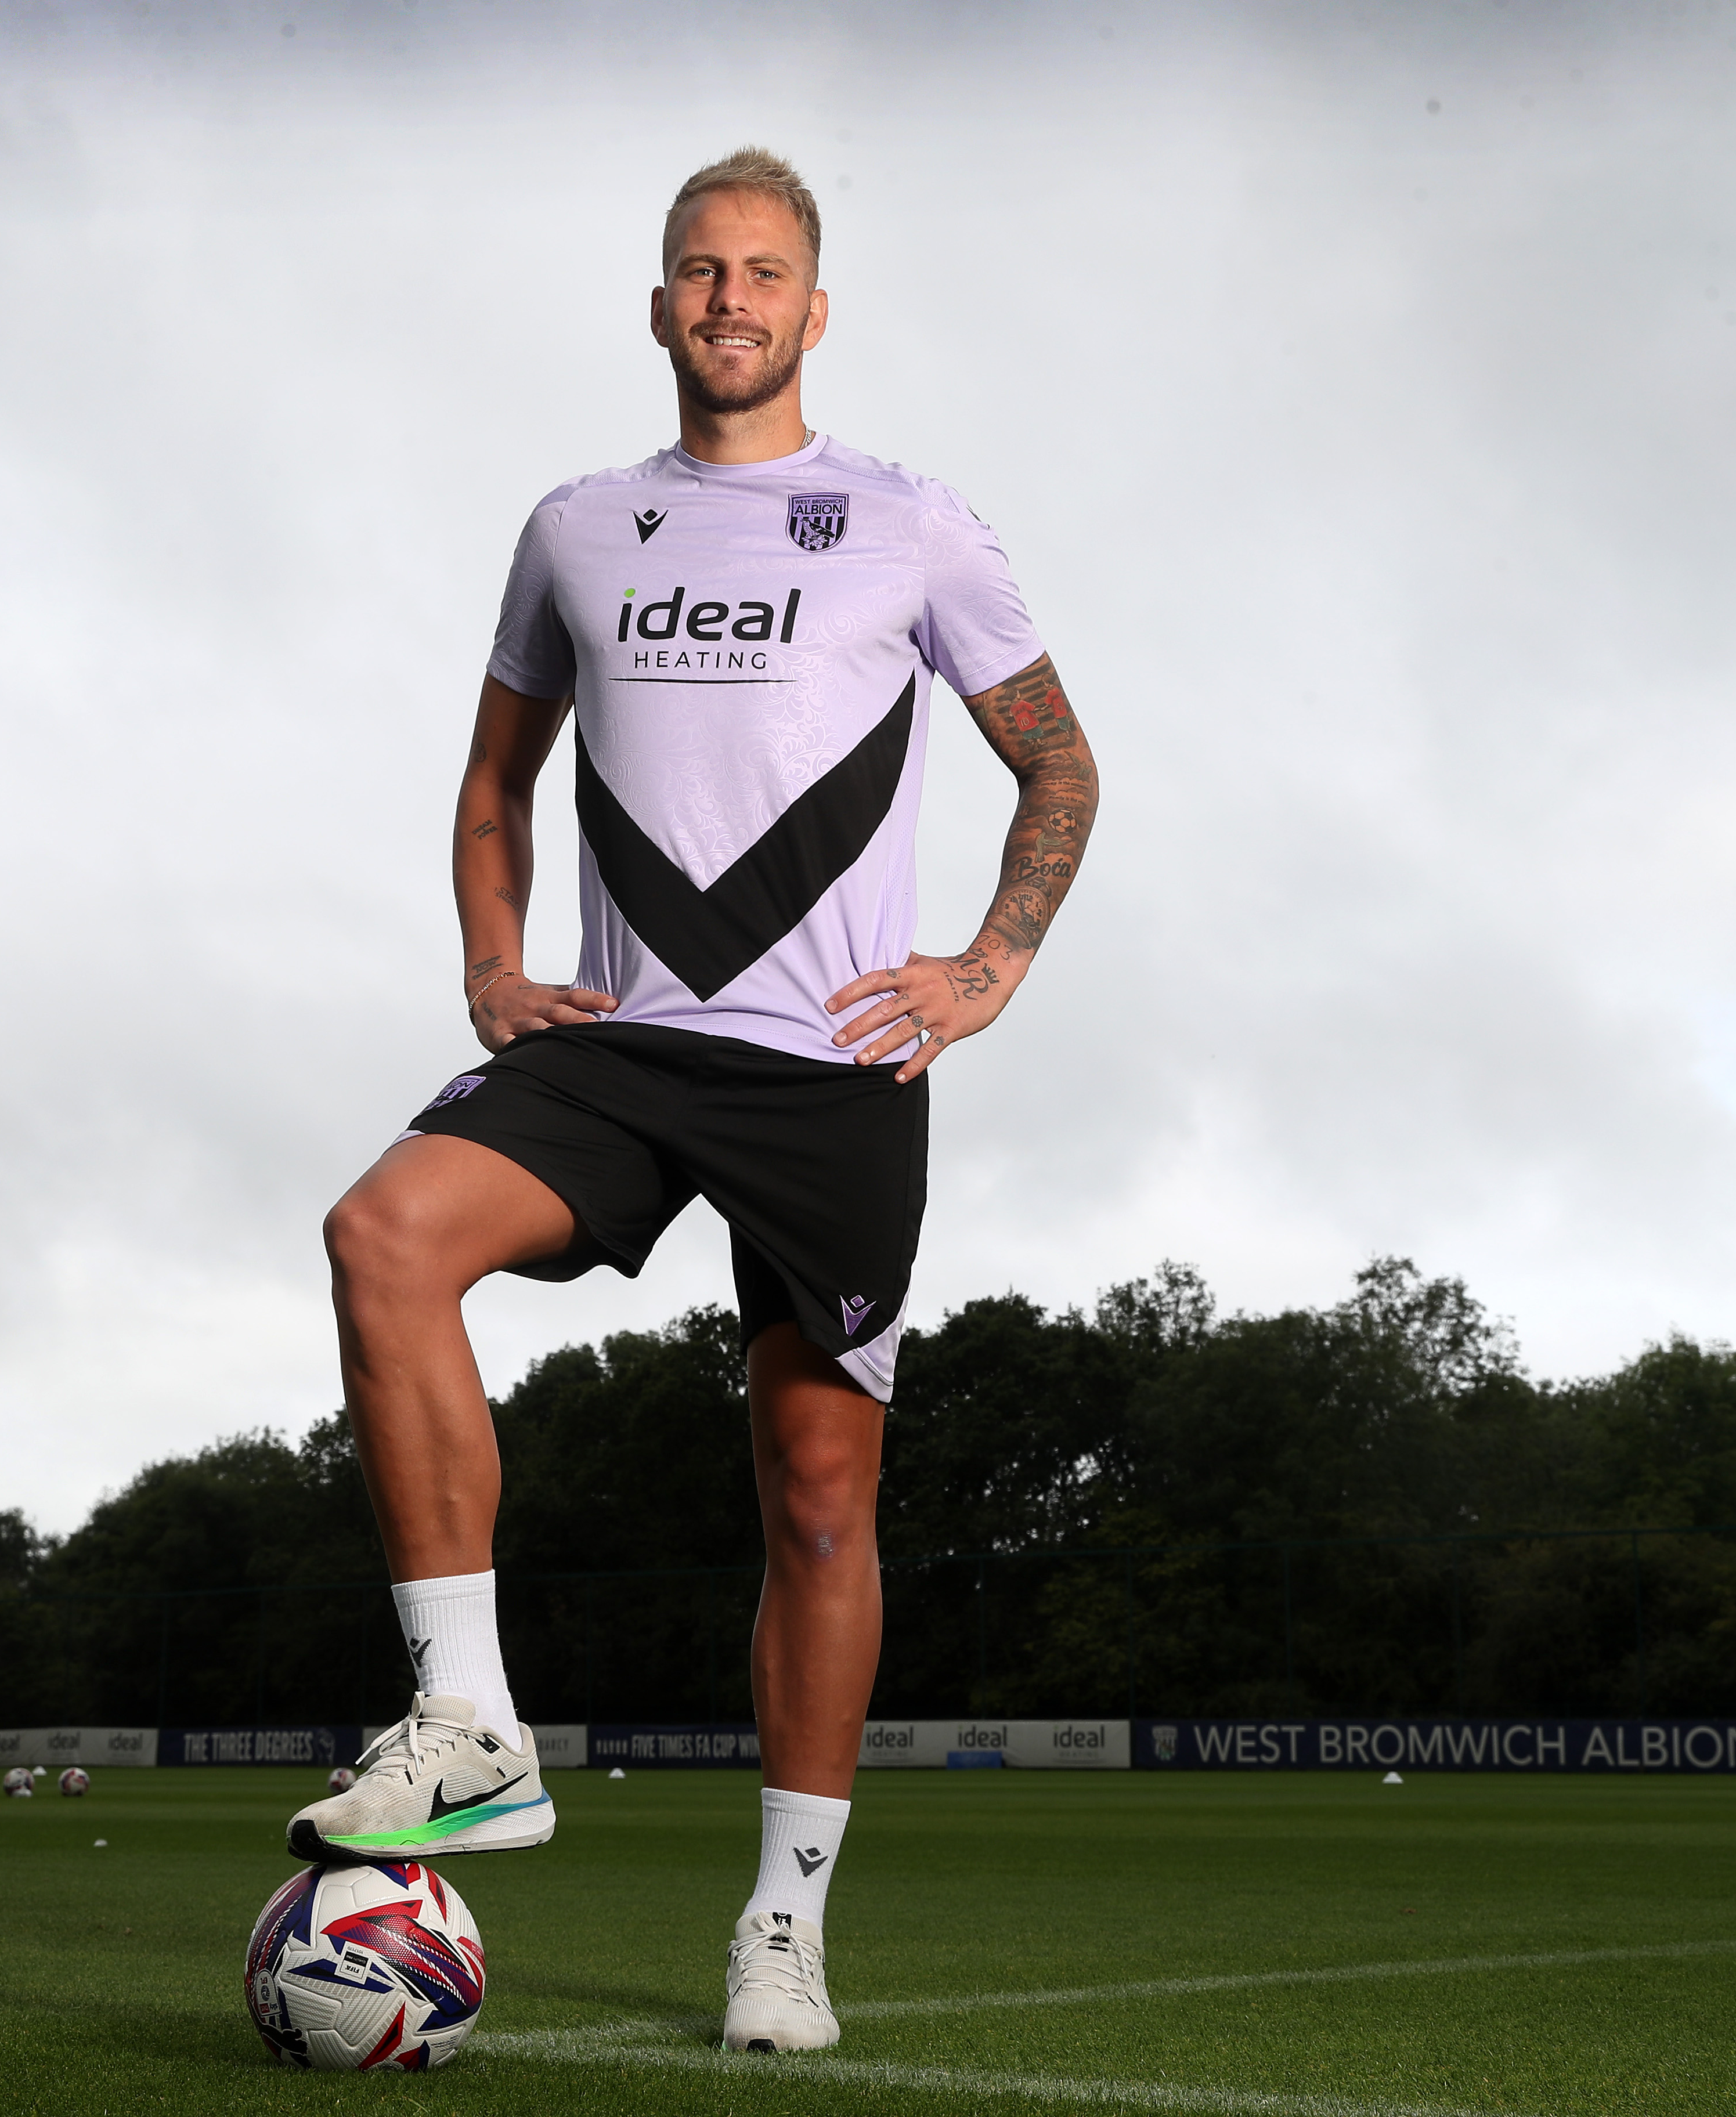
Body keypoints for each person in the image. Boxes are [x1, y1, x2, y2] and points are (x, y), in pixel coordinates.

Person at [288, 146, 1098, 2055]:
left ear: (814, 314)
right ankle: (473, 1725)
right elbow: (492, 787)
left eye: (763, 274)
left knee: (819, 1497)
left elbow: (1059, 771)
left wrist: (985, 973)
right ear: (658, 307)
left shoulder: (916, 526)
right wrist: (494, 968)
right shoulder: (573, 528)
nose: (728, 299)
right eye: (696, 271)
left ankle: (784, 1930)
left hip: (832, 1065)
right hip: (620, 1045)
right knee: (382, 1235)